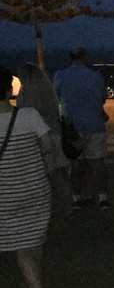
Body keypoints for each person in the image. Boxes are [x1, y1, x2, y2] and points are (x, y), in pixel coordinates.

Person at [1, 65, 55, 288]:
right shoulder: (29, 115)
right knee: (34, 242)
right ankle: (33, 285)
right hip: (36, 189)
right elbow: (46, 146)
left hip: (6, 196)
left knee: (21, 246)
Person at [52, 47, 109, 208]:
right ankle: (102, 197)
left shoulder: (60, 76)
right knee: (98, 163)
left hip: (73, 128)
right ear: (84, 57)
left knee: (76, 163)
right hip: (94, 124)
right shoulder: (96, 77)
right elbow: (102, 98)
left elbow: (55, 96)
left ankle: (76, 198)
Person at [16, 63, 71, 216]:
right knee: (61, 174)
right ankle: (68, 206)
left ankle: (49, 208)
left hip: (39, 138)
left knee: (47, 175)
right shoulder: (49, 93)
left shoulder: (24, 97)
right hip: (56, 134)